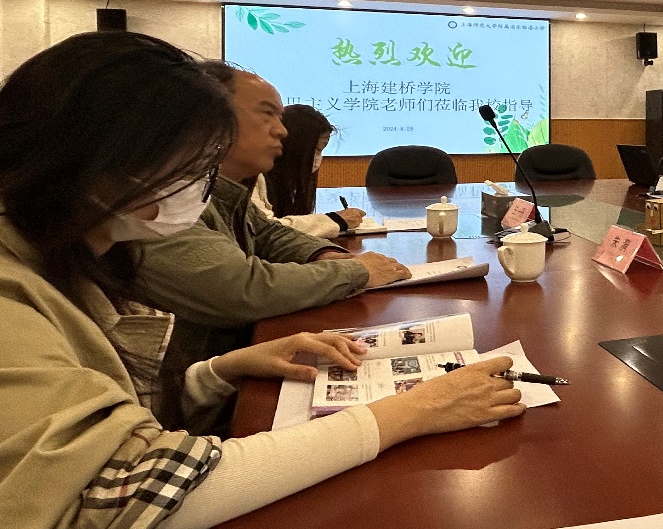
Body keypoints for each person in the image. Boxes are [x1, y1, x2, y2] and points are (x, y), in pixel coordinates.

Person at [0, 32, 525, 528]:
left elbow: (112, 410)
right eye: (189, 160)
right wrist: (412, 411)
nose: (199, 179)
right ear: (96, 151)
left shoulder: (74, 253)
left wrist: (218, 373)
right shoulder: (15, 289)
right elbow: (123, 497)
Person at [126, 62, 412, 425]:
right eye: (266, 114)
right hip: (182, 408)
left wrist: (326, 254)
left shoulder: (220, 188)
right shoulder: (161, 200)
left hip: (211, 377)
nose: (282, 130)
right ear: (205, 121)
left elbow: (268, 233)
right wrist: (355, 272)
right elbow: (241, 289)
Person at [253, 104, 365, 239]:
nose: (319, 158)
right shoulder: (252, 175)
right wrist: (336, 220)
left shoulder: (288, 181)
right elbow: (266, 231)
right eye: (316, 150)